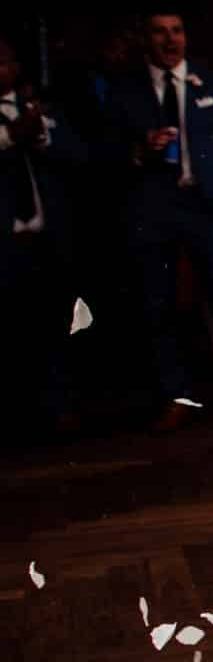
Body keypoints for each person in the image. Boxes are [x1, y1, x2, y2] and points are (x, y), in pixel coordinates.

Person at [109, 9, 213, 431]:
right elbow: (105, 151)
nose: (169, 40)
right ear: (146, 39)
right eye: (159, 32)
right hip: (154, 211)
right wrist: (138, 150)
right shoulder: (127, 90)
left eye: (177, 31)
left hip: (209, 210)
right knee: (159, 308)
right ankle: (175, 395)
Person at [0, 34, 88, 439]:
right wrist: (8, 137)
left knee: (53, 324)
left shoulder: (41, 111)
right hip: (5, 242)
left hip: (45, 239)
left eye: (5, 61)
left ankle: (60, 408)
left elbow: (79, 154)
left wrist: (41, 136)